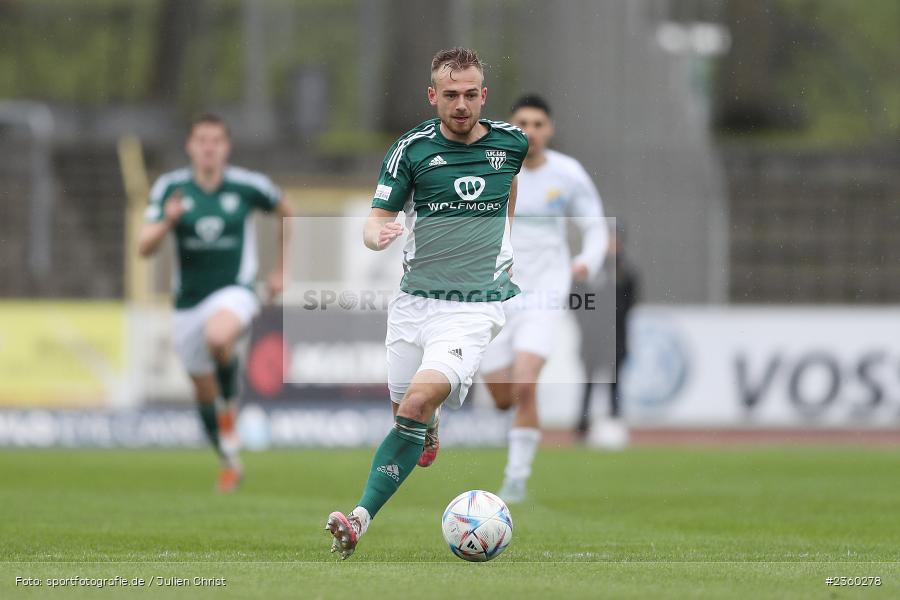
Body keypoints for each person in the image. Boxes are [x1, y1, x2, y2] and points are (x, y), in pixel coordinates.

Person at [324, 47, 528, 560]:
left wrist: (503, 248)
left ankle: (357, 521)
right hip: (414, 304)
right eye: (451, 95)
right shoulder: (410, 150)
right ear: (432, 96)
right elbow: (374, 221)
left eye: (470, 94)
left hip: (473, 307)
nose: (461, 104)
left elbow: (509, 196)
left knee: (413, 405)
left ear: (484, 95)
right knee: (406, 413)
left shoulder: (511, 144)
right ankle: (427, 427)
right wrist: (380, 237)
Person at [138, 114, 292, 492]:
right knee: (202, 390)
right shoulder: (171, 188)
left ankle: (228, 392)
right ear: (190, 146)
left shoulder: (246, 186)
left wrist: (280, 271)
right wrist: (168, 221)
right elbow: (144, 247)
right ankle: (228, 458)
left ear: (226, 147)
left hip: (235, 290)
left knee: (219, 335)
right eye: (201, 141)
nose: (208, 148)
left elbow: (287, 211)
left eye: (215, 141)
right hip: (188, 301)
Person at [479, 95, 608, 503]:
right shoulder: (491, 167)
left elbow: (595, 227)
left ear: (549, 129)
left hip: (545, 294)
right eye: (522, 123)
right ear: (510, 127)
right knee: (502, 396)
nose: (530, 131)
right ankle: (514, 429)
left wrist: (588, 260)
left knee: (526, 385)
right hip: (496, 294)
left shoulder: (568, 174)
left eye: (538, 124)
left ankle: (516, 479)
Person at [575, 224, 638, 449]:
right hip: (592, 339)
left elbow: (629, 305)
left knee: (615, 384)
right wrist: (589, 323)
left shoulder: (626, 272)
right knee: (588, 383)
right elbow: (577, 300)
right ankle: (582, 426)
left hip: (616, 339)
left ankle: (615, 424)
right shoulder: (591, 270)